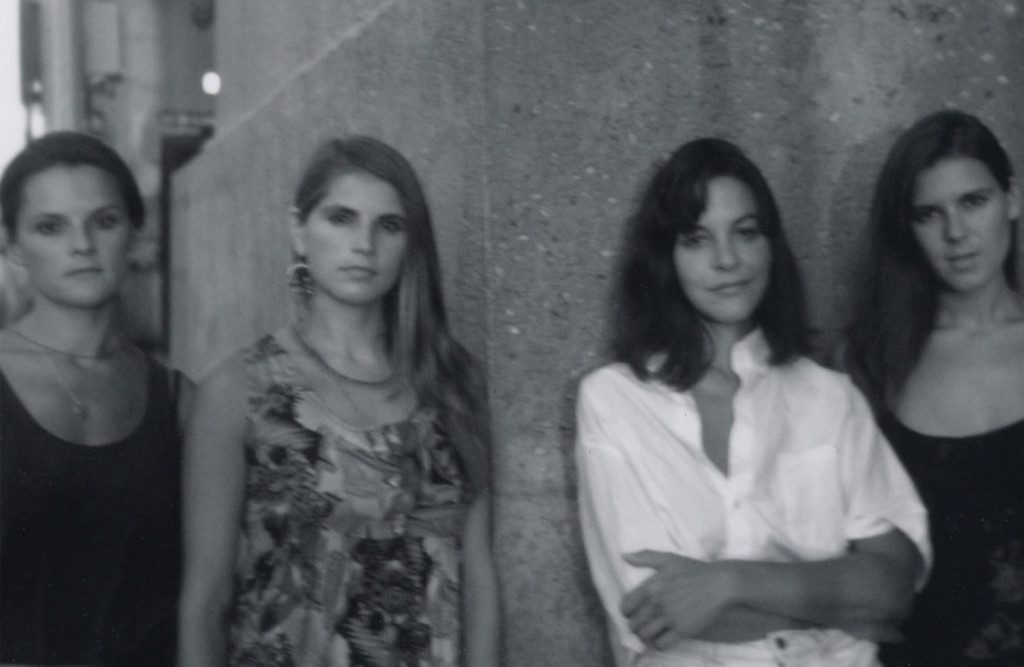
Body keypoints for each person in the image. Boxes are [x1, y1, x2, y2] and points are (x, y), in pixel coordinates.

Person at [575, 138, 930, 667]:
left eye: (745, 232)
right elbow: (652, 612)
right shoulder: (614, 401)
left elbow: (893, 587)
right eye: (696, 239)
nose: (727, 260)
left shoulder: (830, 397)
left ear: (771, 246)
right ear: (665, 259)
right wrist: (840, 605)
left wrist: (728, 582)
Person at [178, 136, 499, 666]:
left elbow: (479, 576)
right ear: (298, 231)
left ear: (411, 244)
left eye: (388, 225)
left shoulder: (453, 382)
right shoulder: (239, 390)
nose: (364, 244)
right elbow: (205, 602)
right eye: (341, 218)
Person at [0, 132, 189, 665]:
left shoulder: (179, 400)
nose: (82, 244)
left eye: (104, 221)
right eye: (50, 227)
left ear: (136, 235)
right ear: (13, 246)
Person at [846, 110, 1024, 665]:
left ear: (1012, 199)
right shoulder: (869, 362)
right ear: (907, 229)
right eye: (929, 214)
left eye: (974, 202)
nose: (956, 233)